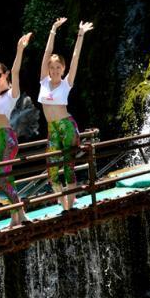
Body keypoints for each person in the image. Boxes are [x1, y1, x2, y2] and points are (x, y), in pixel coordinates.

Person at [40, 18, 93, 210]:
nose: (54, 70)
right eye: (51, 67)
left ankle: (69, 208)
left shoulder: (66, 83)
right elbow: (47, 53)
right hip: (52, 130)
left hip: (66, 126)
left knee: (68, 167)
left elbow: (76, 58)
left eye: (58, 67)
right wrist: (53, 29)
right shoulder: (43, 82)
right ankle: (63, 204)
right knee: (52, 170)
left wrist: (80, 34)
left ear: (62, 69)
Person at [0, 33, 31, 226]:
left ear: (4, 75)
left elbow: (16, 70)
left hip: (6, 137)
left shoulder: (11, 93)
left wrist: (20, 49)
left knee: (2, 178)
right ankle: (15, 217)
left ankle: (21, 213)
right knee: (4, 178)